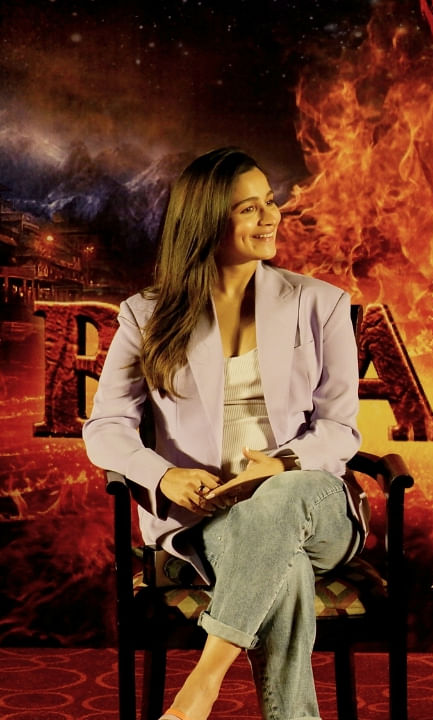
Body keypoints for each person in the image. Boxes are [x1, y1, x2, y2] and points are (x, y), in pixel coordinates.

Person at [83, 148, 364, 720]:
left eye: (270, 202)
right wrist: (163, 474)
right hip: (210, 520)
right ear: (208, 221)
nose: (271, 217)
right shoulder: (148, 314)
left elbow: (340, 429)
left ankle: (201, 687)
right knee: (282, 573)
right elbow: (106, 427)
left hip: (317, 507)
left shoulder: (321, 302)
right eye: (249, 209)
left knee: (281, 499)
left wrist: (284, 464)